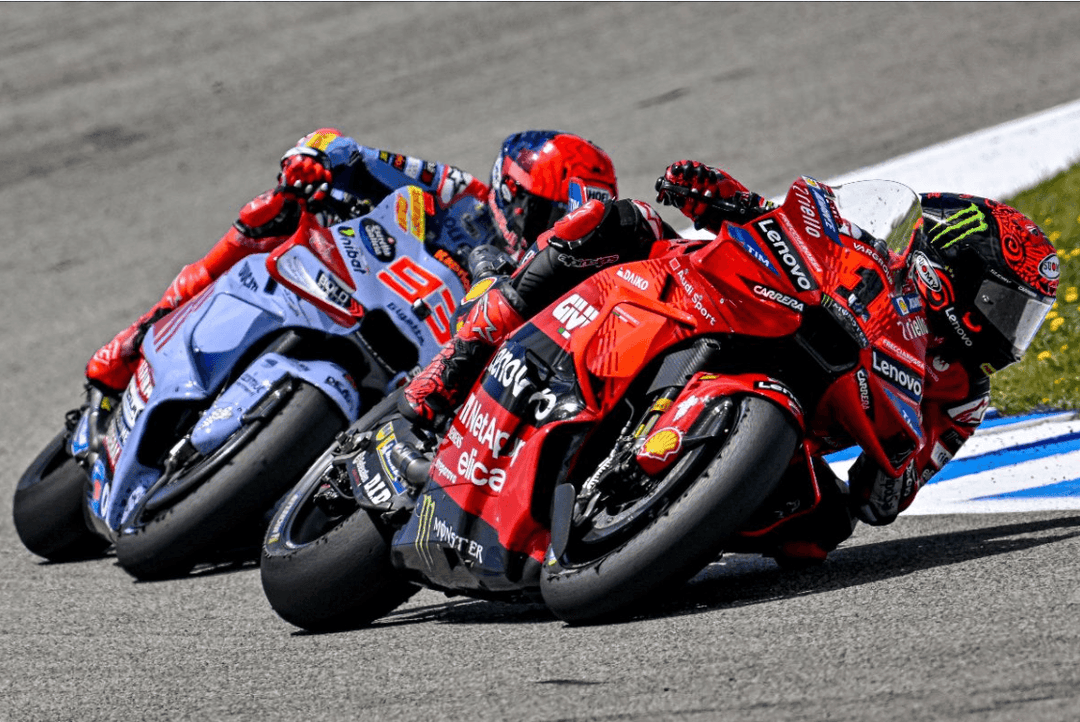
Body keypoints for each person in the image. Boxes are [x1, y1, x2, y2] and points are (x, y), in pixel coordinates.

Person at [399, 159, 1059, 565]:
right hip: (709, 298)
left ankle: (664, 529)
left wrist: (898, 460)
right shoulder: (873, 256)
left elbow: (881, 501)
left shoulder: (964, 396)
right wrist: (724, 196)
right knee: (611, 223)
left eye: (1022, 315)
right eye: (1006, 304)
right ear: (954, 275)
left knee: (821, 531)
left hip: (787, 422)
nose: (1010, 332)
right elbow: (791, 229)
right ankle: (453, 366)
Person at [84, 129, 619, 394]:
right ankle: (137, 338)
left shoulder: (554, 281)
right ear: (513, 191)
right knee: (268, 215)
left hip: (422, 372)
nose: (553, 227)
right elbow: (350, 152)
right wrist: (313, 161)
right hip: (354, 287)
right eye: (549, 211)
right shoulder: (461, 194)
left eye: (569, 218)